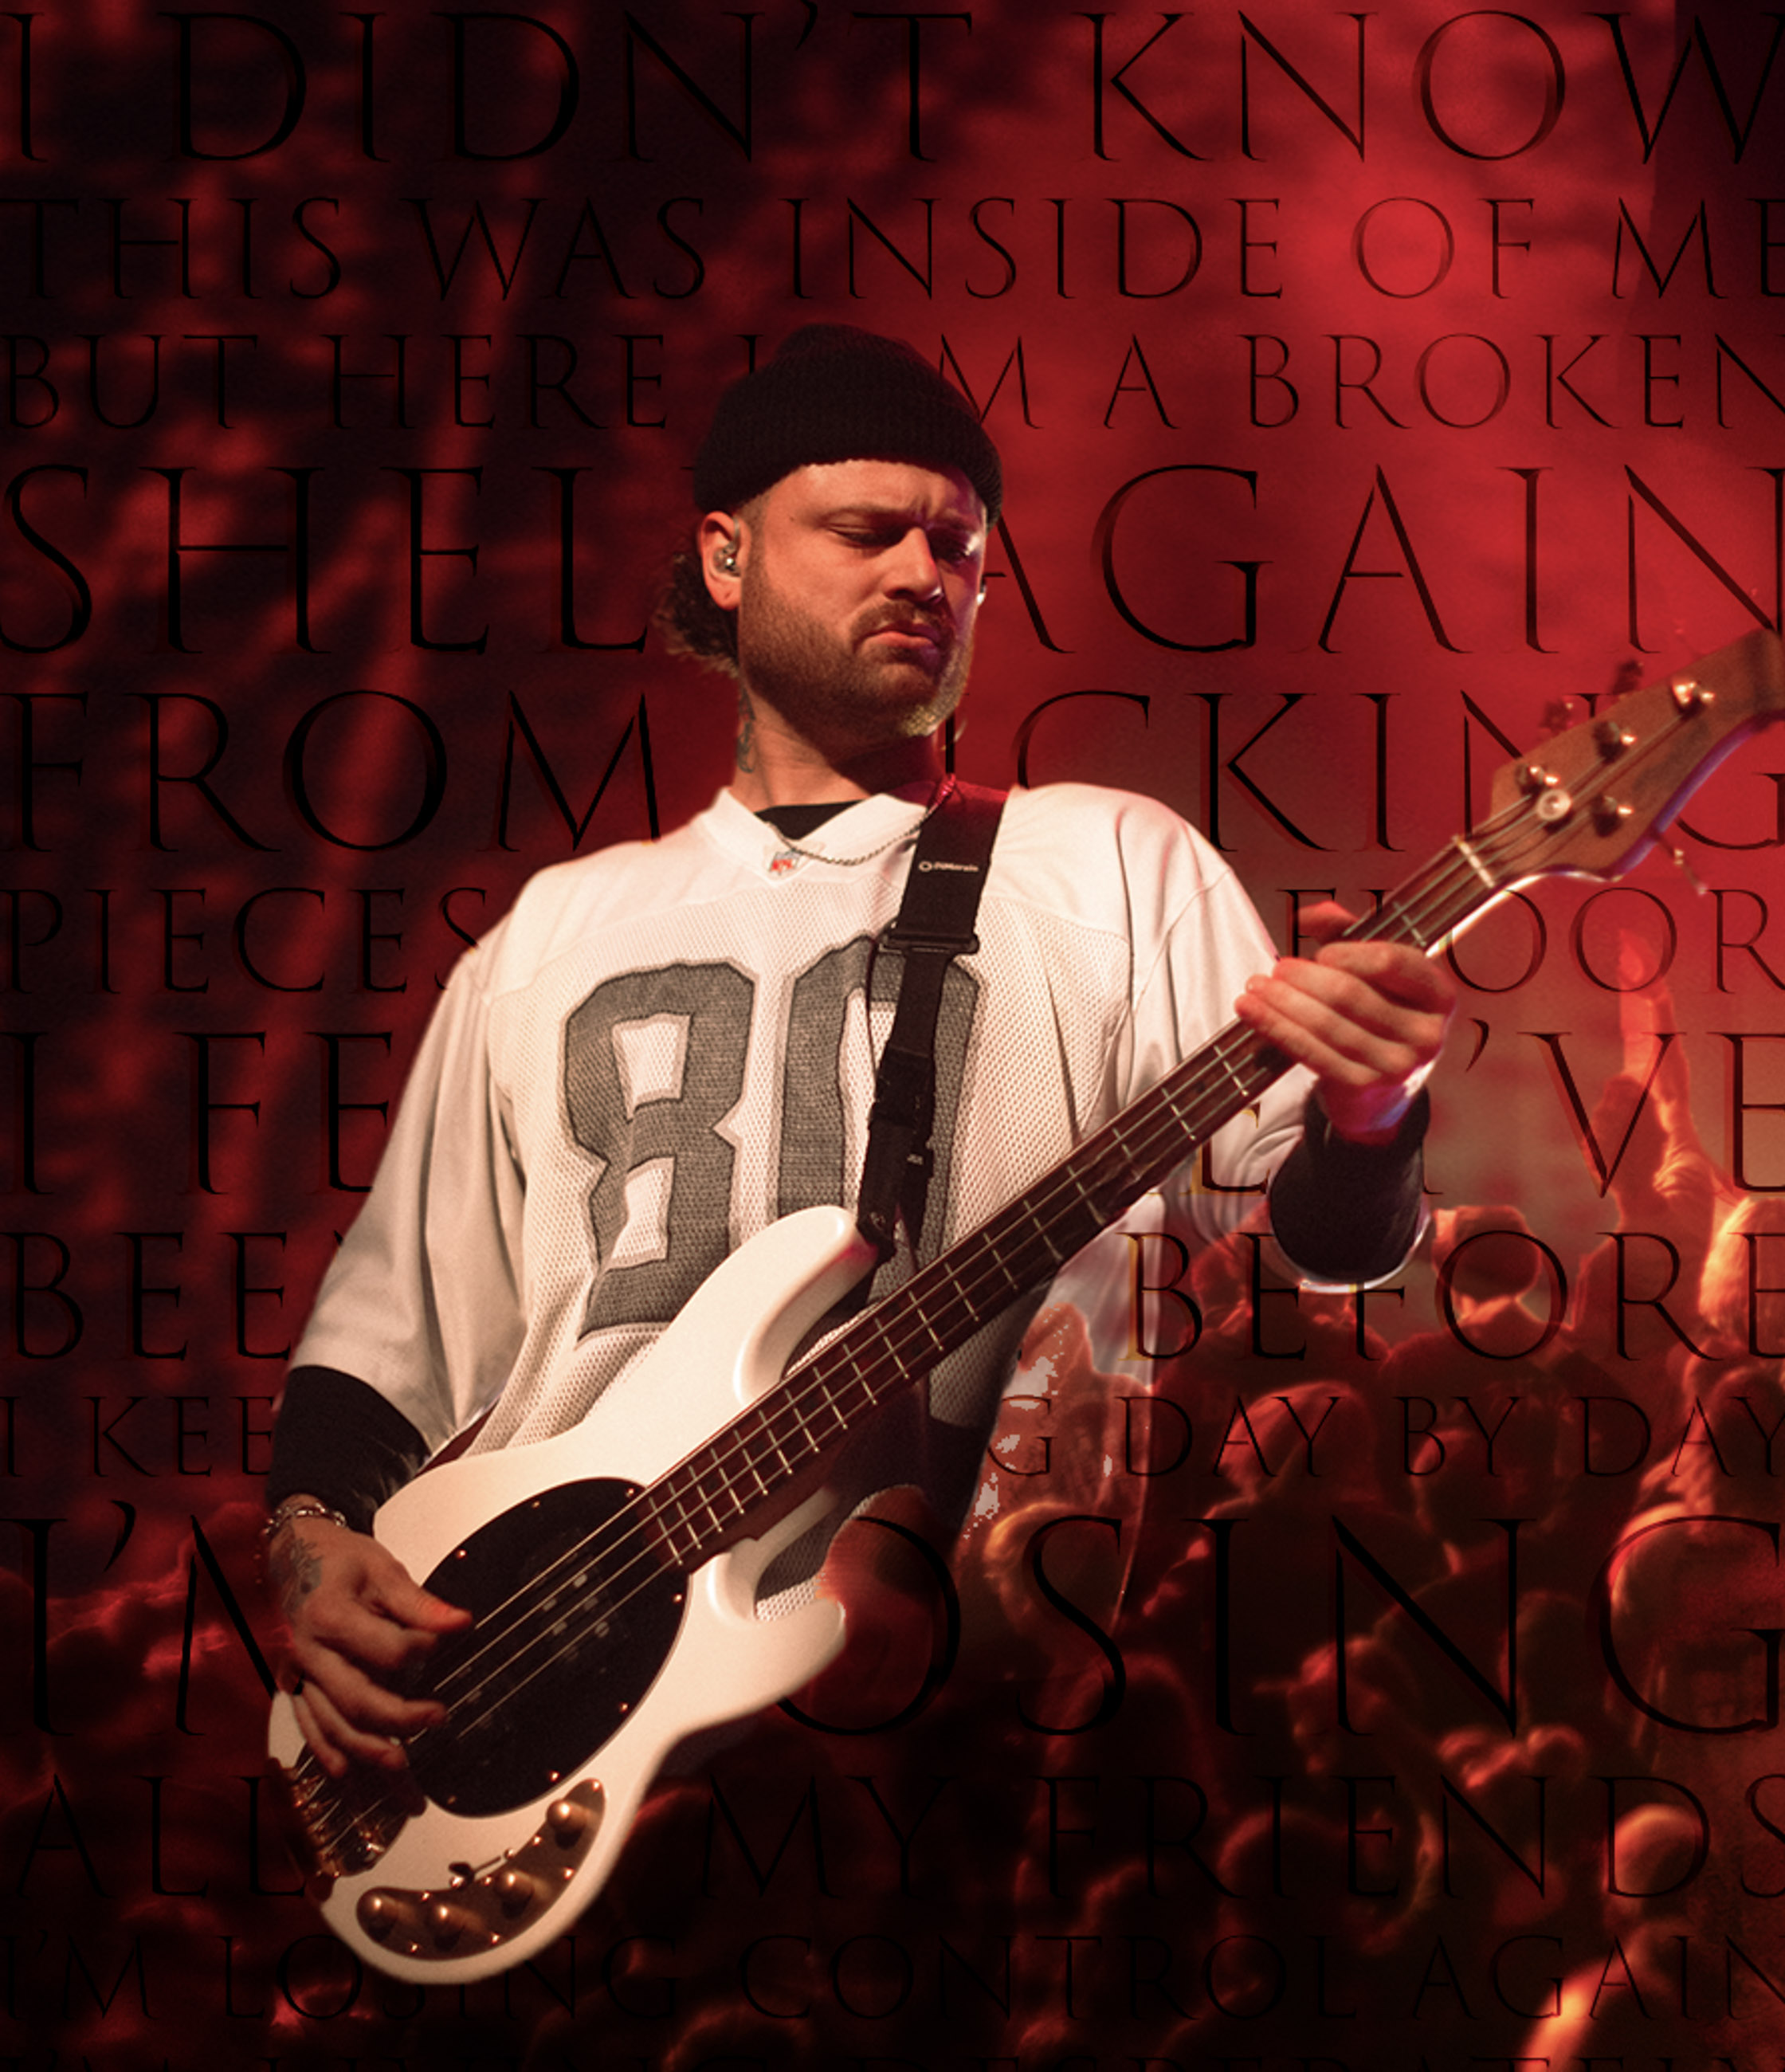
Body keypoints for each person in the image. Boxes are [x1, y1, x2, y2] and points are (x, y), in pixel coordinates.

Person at [265, 324, 1456, 1779]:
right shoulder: (552, 933)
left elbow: (1312, 1244)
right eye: (865, 530)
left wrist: (1373, 1115)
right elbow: (398, 1330)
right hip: (540, 1692)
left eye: (957, 545)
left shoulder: (1110, 864)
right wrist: (313, 1550)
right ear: (726, 558)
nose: (924, 574)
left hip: (968, 1698)